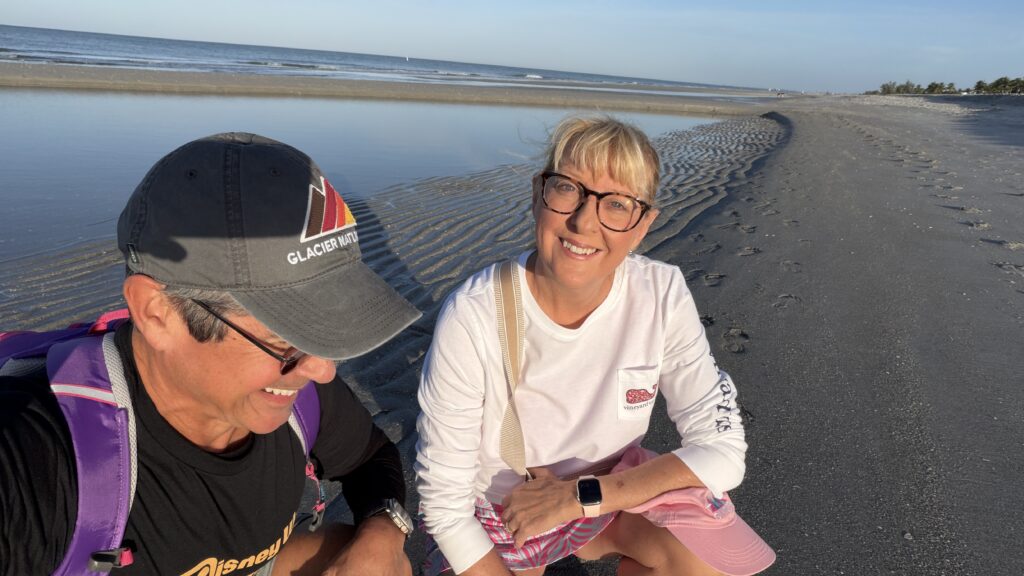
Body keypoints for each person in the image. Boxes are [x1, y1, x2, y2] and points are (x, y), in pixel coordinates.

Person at [0, 133, 421, 575]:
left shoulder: (298, 394)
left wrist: (384, 532)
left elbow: (370, 457)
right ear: (158, 312)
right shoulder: (39, 460)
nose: (322, 370)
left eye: (322, 333)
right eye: (287, 338)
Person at [415, 116, 774, 575]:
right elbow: (445, 508)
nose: (585, 222)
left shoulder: (660, 294)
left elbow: (723, 452)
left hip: (606, 495)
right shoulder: (474, 315)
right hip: (506, 510)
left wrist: (578, 497)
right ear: (537, 195)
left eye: (618, 204)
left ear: (643, 224)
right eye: (568, 189)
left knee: (710, 568)